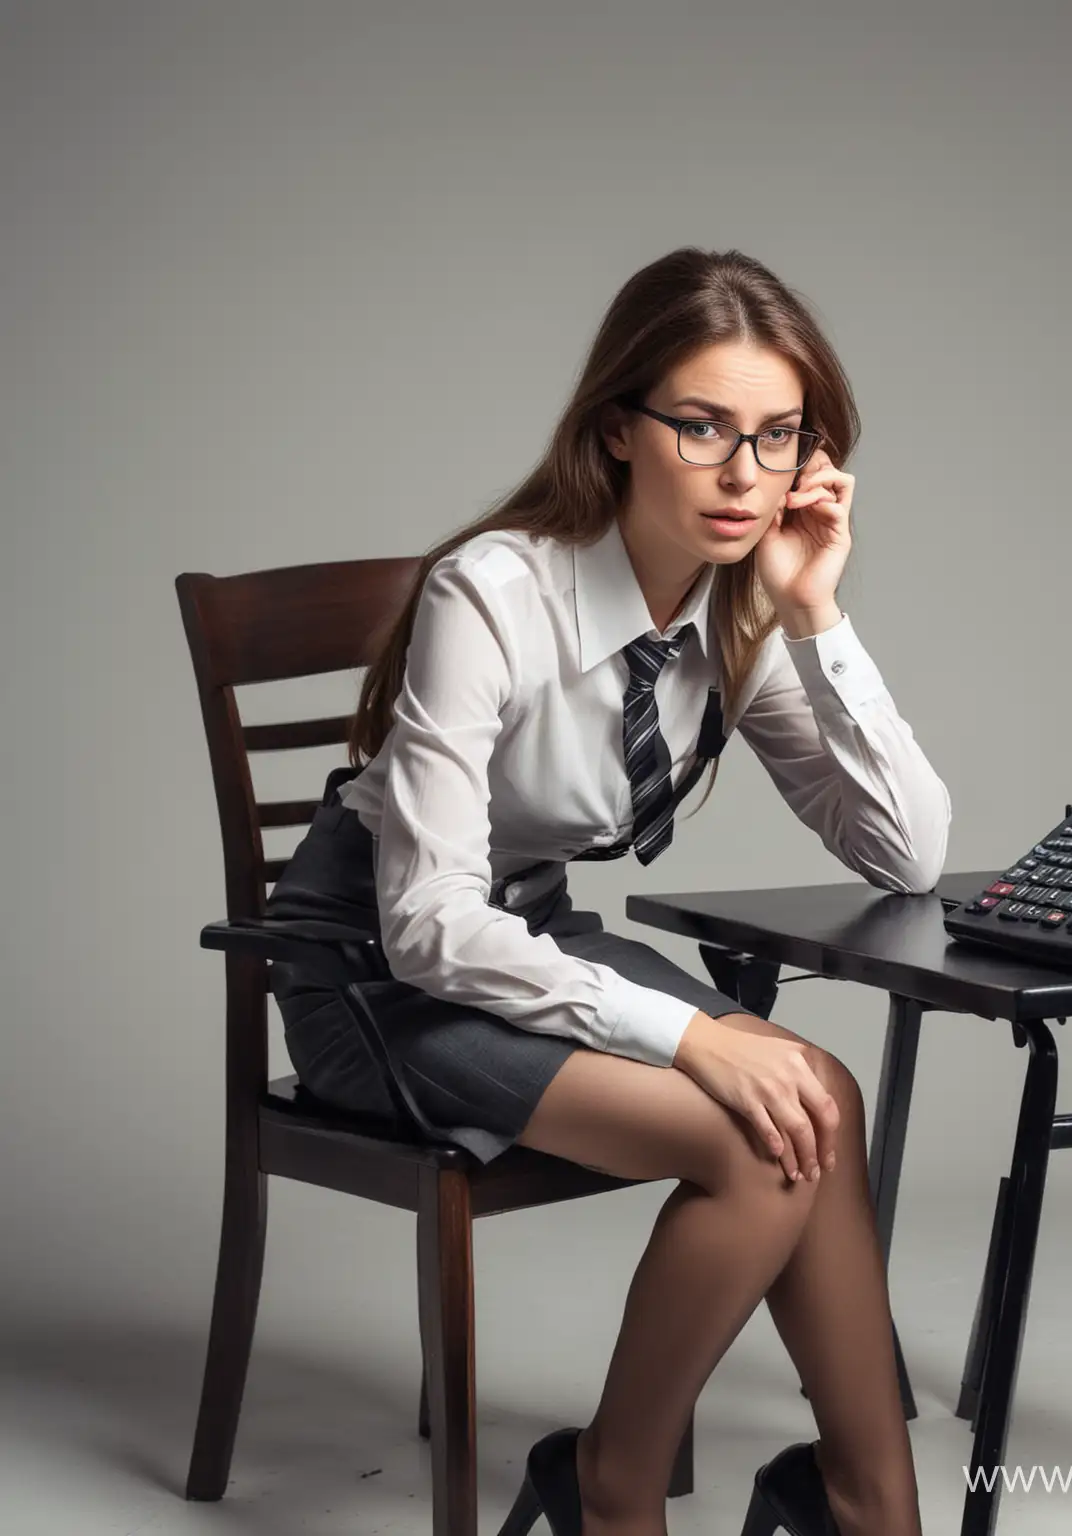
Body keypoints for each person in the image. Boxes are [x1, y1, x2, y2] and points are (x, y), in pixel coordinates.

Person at [266, 246, 950, 1536]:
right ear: (619, 431)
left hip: (525, 930)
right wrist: (689, 1032)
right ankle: (613, 1490)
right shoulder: (494, 591)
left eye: (779, 434)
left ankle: (865, 1502)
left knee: (820, 1096)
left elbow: (905, 855)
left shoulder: (741, 609)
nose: (746, 474)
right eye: (703, 428)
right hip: (373, 972)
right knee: (754, 1140)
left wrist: (820, 616)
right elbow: (425, 926)